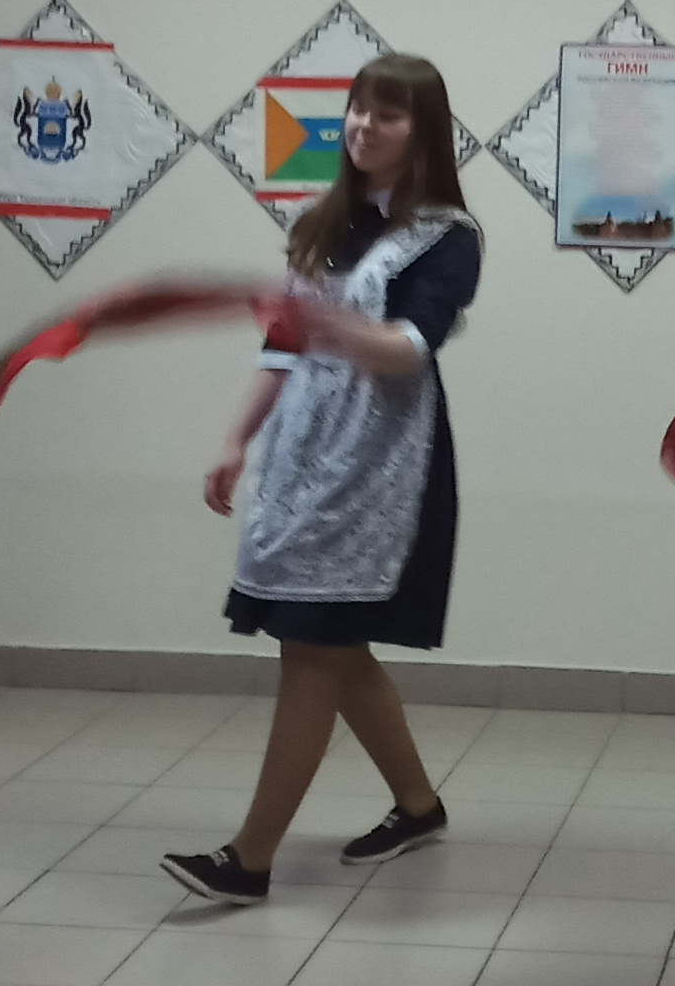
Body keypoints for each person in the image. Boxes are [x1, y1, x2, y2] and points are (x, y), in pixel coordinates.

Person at [163, 53, 479, 906]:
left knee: (313, 647)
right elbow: (281, 347)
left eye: (389, 114)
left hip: (383, 466)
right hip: (306, 454)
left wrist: (330, 323)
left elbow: (407, 350)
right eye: (358, 109)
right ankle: (418, 807)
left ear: (424, 131)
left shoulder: (448, 237)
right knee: (330, 647)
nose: (364, 126)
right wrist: (236, 441)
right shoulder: (323, 223)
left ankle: (250, 859)